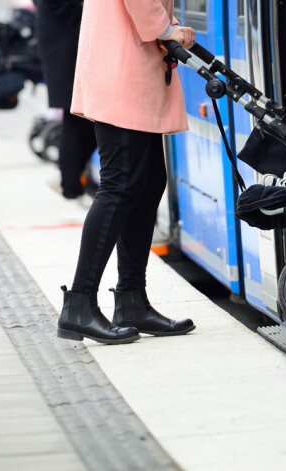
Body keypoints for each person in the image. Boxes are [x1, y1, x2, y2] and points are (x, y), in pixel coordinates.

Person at [56, 0, 196, 345]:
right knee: (120, 185)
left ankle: (132, 300)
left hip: (133, 65)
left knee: (147, 183)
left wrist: (170, 27)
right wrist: (166, 30)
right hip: (122, 70)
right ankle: (79, 305)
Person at [36, 0, 97, 224]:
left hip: (67, 37)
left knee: (87, 120)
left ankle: (67, 179)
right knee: (76, 120)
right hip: (66, 42)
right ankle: (70, 196)